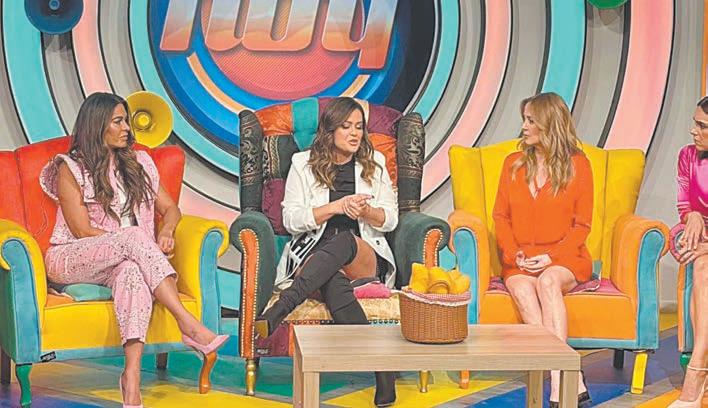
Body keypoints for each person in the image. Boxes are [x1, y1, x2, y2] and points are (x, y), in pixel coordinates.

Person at [39, 93, 228, 408]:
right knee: (134, 238)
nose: (127, 127)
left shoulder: (140, 164)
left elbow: (171, 210)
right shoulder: (70, 168)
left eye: (126, 120)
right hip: (72, 256)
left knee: (132, 274)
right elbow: (81, 230)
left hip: (124, 258)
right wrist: (136, 244)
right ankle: (187, 323)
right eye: (118, 121)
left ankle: (131, 379)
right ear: (97, 125)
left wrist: (166, 231)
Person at [254, 97, 398, 407]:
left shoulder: (375, 163)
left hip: (361, 256)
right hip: (315, 257)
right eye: (346, 127)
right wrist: (335, 207)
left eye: (359, 127)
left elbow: (391, 219)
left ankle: (284, 305)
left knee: (344, 240)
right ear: (330, 130)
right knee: (332, 278)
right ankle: (383, 371)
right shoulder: (302, 164)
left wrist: (365, 212)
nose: (354, 133)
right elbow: (291, 220)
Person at [492, 92, 592, 407]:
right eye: (524, 119)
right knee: (523, 289)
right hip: (521, 259)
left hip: (565, 257)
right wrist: (515, 254)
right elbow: (500, 217)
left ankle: (559, 379)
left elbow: (582, 225)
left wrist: (552, 257)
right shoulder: (512, 164)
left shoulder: (578, 165)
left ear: (549, 124)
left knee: (548, 282)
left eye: (531, 120)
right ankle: (565, 375)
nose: (524, 127)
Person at [667, 96, 708, 407]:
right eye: (695, 123)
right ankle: (699, 366)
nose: (694, 130)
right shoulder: (687, 156)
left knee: (703, 264)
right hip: (703, 237)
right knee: (702, 265)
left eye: (702, 125)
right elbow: (684, 203)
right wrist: (692, 215)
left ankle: (696, 370)